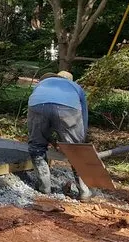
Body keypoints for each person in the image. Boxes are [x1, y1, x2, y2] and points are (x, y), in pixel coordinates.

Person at [27, 71, 91, 200]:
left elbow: (42, 121)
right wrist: (80, 141)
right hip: (68, 108)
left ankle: (44, 187)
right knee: (76, 151)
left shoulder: (43, 83)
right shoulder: (75, 87)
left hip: (37, 106)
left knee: (37, 148)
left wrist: (50, 140)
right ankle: (84, 192)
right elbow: (83, 114)